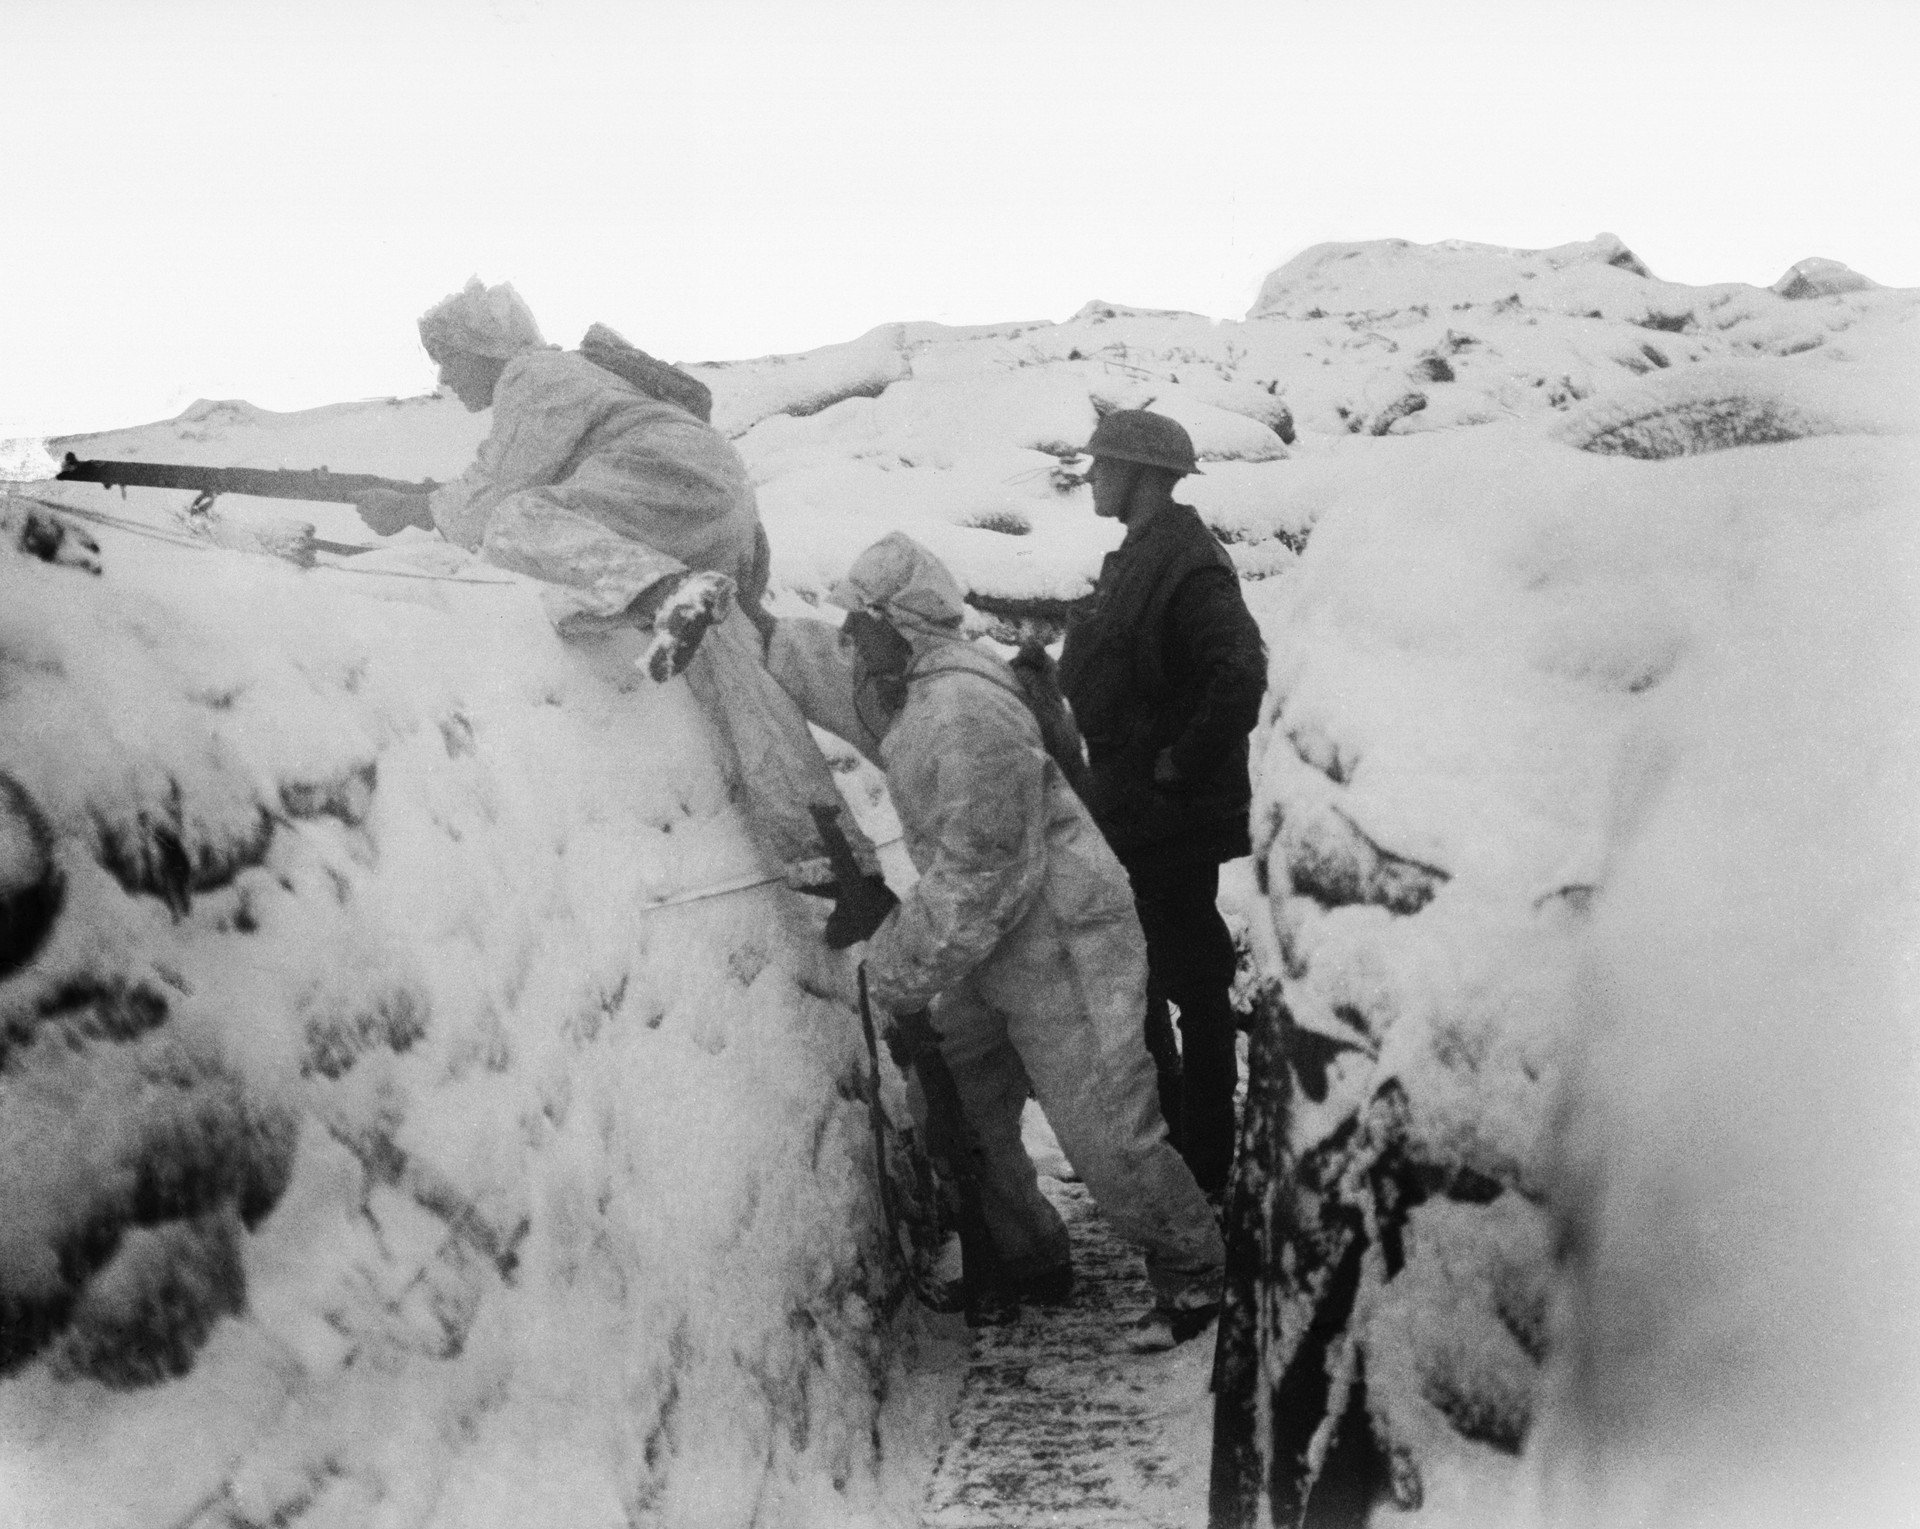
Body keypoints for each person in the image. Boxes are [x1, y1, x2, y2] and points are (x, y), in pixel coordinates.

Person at [766, 531, 1225, 1350]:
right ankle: (1027, 1254)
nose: (846, 640)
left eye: (855, 622)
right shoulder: (912, 684)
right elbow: (837, 686)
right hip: (995, 938)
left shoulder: (965, 711)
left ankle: (1192, 1273)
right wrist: (753, 636)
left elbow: (986, 874)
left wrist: (896, 968)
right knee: (964, 1102)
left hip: (1061, 934)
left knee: (1106, 1127)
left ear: (896, 621)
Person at [354, 278, 892, 941]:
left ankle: (665, 593)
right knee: (740, 683)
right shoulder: (567, 378)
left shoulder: (533, 373)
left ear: (483, 346)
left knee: (516, 521)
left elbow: (495, 491)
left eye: (448, 357)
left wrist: (411, 509)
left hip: (669, 484)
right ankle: (840, 868)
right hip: (713, 503)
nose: (441, 377)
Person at [1057, 410, 1267, 1203]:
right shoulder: (1143, 556)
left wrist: (1180, 764)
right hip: (1137, 814)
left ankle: (1205, 1158)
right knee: (1148, 978)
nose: (1091, 478)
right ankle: (1177, 1147)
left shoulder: (1188, 564)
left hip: (1169, 820)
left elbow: (1239, 671)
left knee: (1197, 986)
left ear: (1144, 476)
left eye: (1105, 465)